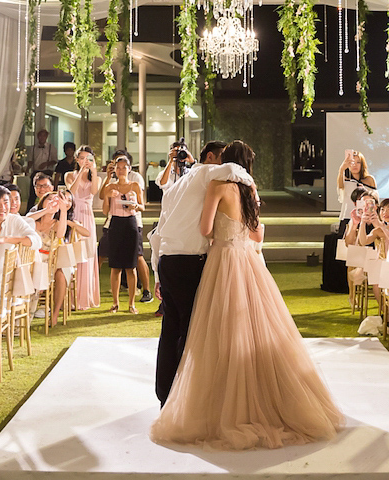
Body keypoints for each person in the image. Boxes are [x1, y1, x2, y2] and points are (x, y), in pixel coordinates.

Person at [151, 140, 344, 449]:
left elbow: (205, 230)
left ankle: (188, 400)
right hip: (247, 262)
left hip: (218, 260)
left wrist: (219, 231)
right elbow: (257, 233)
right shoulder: (248, 190)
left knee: (198, 331)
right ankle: (253, 398)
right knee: (249, 329)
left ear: (223, 160)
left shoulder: (216, 184)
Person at [153, 140, 258, 404]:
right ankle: (185, 397)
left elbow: (158, 232)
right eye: (220, 159)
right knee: (191, 331)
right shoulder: (205, 173)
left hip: (167, 260)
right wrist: (251, 183)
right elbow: (235, 170)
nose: (223, 165)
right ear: (212, 158)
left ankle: (164, 393)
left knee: (170, 329)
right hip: (190, 261)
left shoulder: (176, 187)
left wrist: (156, 273)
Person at [100, 156, 144, 313]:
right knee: (115, 266)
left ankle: (132, 303)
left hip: (131, 223)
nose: (121, 170)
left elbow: (142, 206)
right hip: (116, 224)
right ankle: (115, 303)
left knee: (131, 267)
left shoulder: (135, 185)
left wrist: (135, 205)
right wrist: (108, 197)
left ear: (129, 169)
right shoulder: (110, 187)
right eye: (118, 168)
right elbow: (105, 211)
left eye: (124, 167)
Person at [65, 146, 102, 309]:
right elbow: (71, 192)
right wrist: (80, 172)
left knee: (87, 255)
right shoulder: (69, 175)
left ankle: (85, 296)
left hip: (87, 216)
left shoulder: (97, 177)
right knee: (72, 254)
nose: (85, 161)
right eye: (81, 158)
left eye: (88, 158)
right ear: (76, 159)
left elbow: (93, 191)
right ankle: (70, 297)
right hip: (73, 214)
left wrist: (92, 171)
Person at [46, 189, 90, 327]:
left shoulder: (72, 220)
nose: (67, 202)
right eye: (64, 199)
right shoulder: (50, 217)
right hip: (47, 256)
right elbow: (58, 230)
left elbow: (86, 233)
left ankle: (55, 313)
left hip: (64, 257)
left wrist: (72, 223)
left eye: (70, 200)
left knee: (62, 272)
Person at [335, 149, 376, 230]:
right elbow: (340, 187)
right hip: (348, 215)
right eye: (352, 162)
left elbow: (375, 198)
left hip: (366, 217)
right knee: (345, 241)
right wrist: (341, 169)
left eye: (358, 162)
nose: (355, 165)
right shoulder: (345, 180)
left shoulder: (369, 179)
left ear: (362, 164)